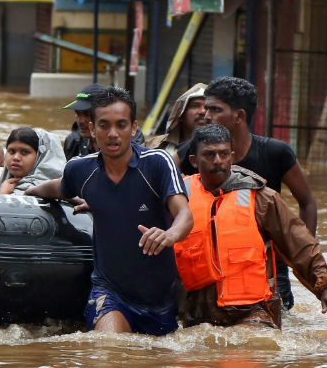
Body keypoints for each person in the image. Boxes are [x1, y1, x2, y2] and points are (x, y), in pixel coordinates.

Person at [26, 86, 192, 336]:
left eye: (121, 125)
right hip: (110, 292)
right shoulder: (80, 169)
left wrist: (169, 235)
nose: (113, 134)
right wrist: (23, 193)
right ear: (92, 129)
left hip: (160, 298)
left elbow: (185, 215)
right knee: (109, 353)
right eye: (104, 125)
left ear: (134, 128)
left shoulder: (158, 163)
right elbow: (57, 188)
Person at [174, 124, 327, 328]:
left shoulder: (261, 198)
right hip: (195, 313)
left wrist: (325, 286)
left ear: (232, 155)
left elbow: (300, 243)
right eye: (209, 155)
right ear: (194, 160)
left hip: (252, 311)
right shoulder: (178, 197)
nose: (218, 161)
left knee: (254, 347)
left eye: (223, 154)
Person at [202, 76, 318, 310]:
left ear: (239, 116)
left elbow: (307, 202)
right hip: (216, 265)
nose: (206, 116)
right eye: (206, 109)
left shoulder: (275, 153)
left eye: (215, 110)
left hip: (270, 265)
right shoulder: (195, 154)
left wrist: (300, 254)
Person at [149, 81, 206, 164]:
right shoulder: (155, 146)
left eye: (208, 106)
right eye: (195, 105)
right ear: (181, 115)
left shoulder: (226, 149)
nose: (203, 111)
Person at [61, 83, 101, 160]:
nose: (81, 121)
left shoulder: (124, 146)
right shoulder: (72, 142)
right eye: (77, 114)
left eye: (87, 114)